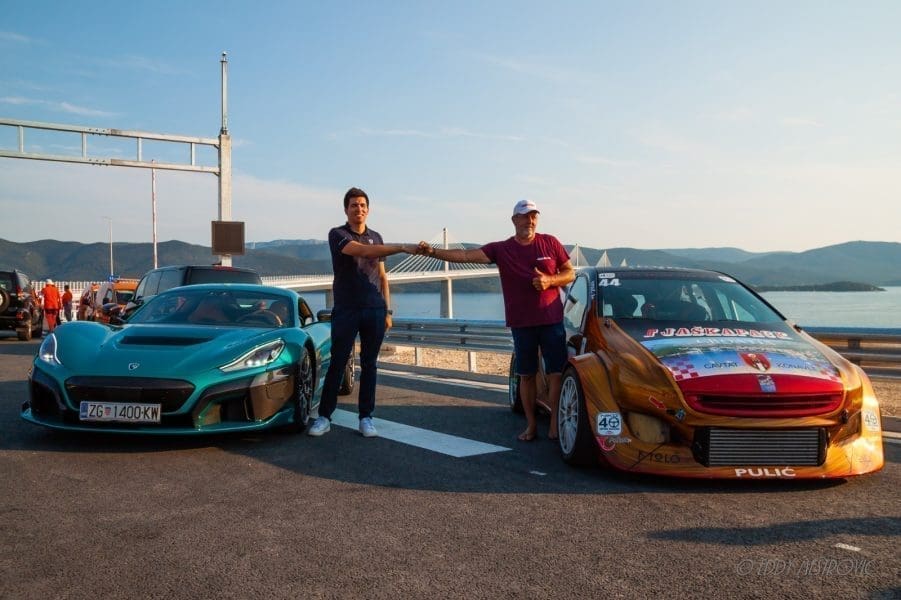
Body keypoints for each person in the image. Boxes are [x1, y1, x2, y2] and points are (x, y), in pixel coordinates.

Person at [417, 199, 574, 441]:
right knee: (527, 375)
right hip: (522, 323)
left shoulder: (550, 242)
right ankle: (531, 425)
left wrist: (550, 281)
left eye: (534, 216)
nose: (530, 220)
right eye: (525, 216)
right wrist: (433, 252)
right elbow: (465, 255)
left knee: (555, 373)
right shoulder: (502, 249)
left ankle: (554, 424)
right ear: (514, 220)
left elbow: (569, 273)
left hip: (551, 320)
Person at [307, 187, 415, 438]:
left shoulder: (376, 237)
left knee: (370, 365)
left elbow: (383, 277)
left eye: (363, 205)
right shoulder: (338, 234)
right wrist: (402, 247)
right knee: (338, 362)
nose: (359, 209)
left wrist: (388, 311)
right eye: (354, 205)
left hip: (375, 309)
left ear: (368, 209)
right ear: (346, 209)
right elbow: (362, 251)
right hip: (347, 309)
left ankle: (366, 417)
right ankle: (324, 417)